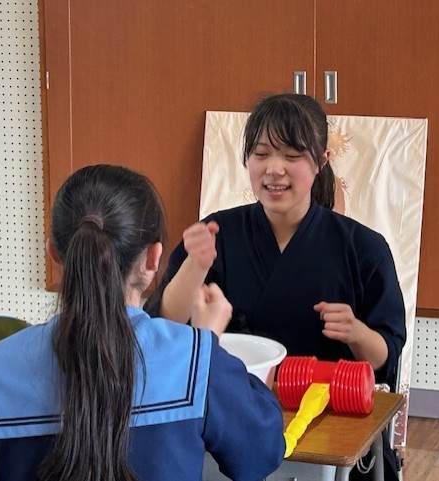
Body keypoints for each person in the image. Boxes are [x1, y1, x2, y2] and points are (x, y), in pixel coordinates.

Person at [0, 164, 285, 481]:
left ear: (54, 253)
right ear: (152, 259)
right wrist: (206, 345)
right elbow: (262, 452)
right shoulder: (194, 360)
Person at [145, 93, 406, 481]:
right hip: (231, 421)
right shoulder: (218, 233)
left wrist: (357, 333)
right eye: (262, 154)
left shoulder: (364, 248)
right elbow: (162, 330)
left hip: (327, 424)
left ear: (320, 162)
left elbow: (386, 359)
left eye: (292, 155)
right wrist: (193, 269)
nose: (274, 169)